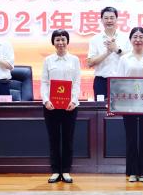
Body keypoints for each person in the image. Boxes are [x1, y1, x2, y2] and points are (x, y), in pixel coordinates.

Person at [116, 26, 143, 183]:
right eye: (135, 37)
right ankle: (132, 172)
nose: (138, 39)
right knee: (131, 138)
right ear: (130, 40)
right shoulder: (124, 59)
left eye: (141, 37)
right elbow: (119, 81)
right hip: (128, 103)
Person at [41, 29, 81, 184]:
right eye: (57, 39)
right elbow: (44, 82)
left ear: (67, 41)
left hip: (70, 106)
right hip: (51, 106)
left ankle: (65, 171)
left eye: (63, 39)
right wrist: (46, 100)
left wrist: (74, 100)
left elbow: (76, 82)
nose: (60, 42)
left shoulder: (75, 60)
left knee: (68, 139)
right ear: (53, 42)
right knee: (54, 139)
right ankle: (55, 171)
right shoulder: (48, 60)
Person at [86, 6, 130, 101]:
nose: (109, 20)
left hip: (121, 82)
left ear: (116, 19)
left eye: (112, 18)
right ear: (101, 20)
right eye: (106, 18)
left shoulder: (126, 38)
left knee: (121, 107)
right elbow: (90, 63)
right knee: (101, 108)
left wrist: (117, 50)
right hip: (101, 82)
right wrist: (107, 52)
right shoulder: (95, 39)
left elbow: (131, 59)